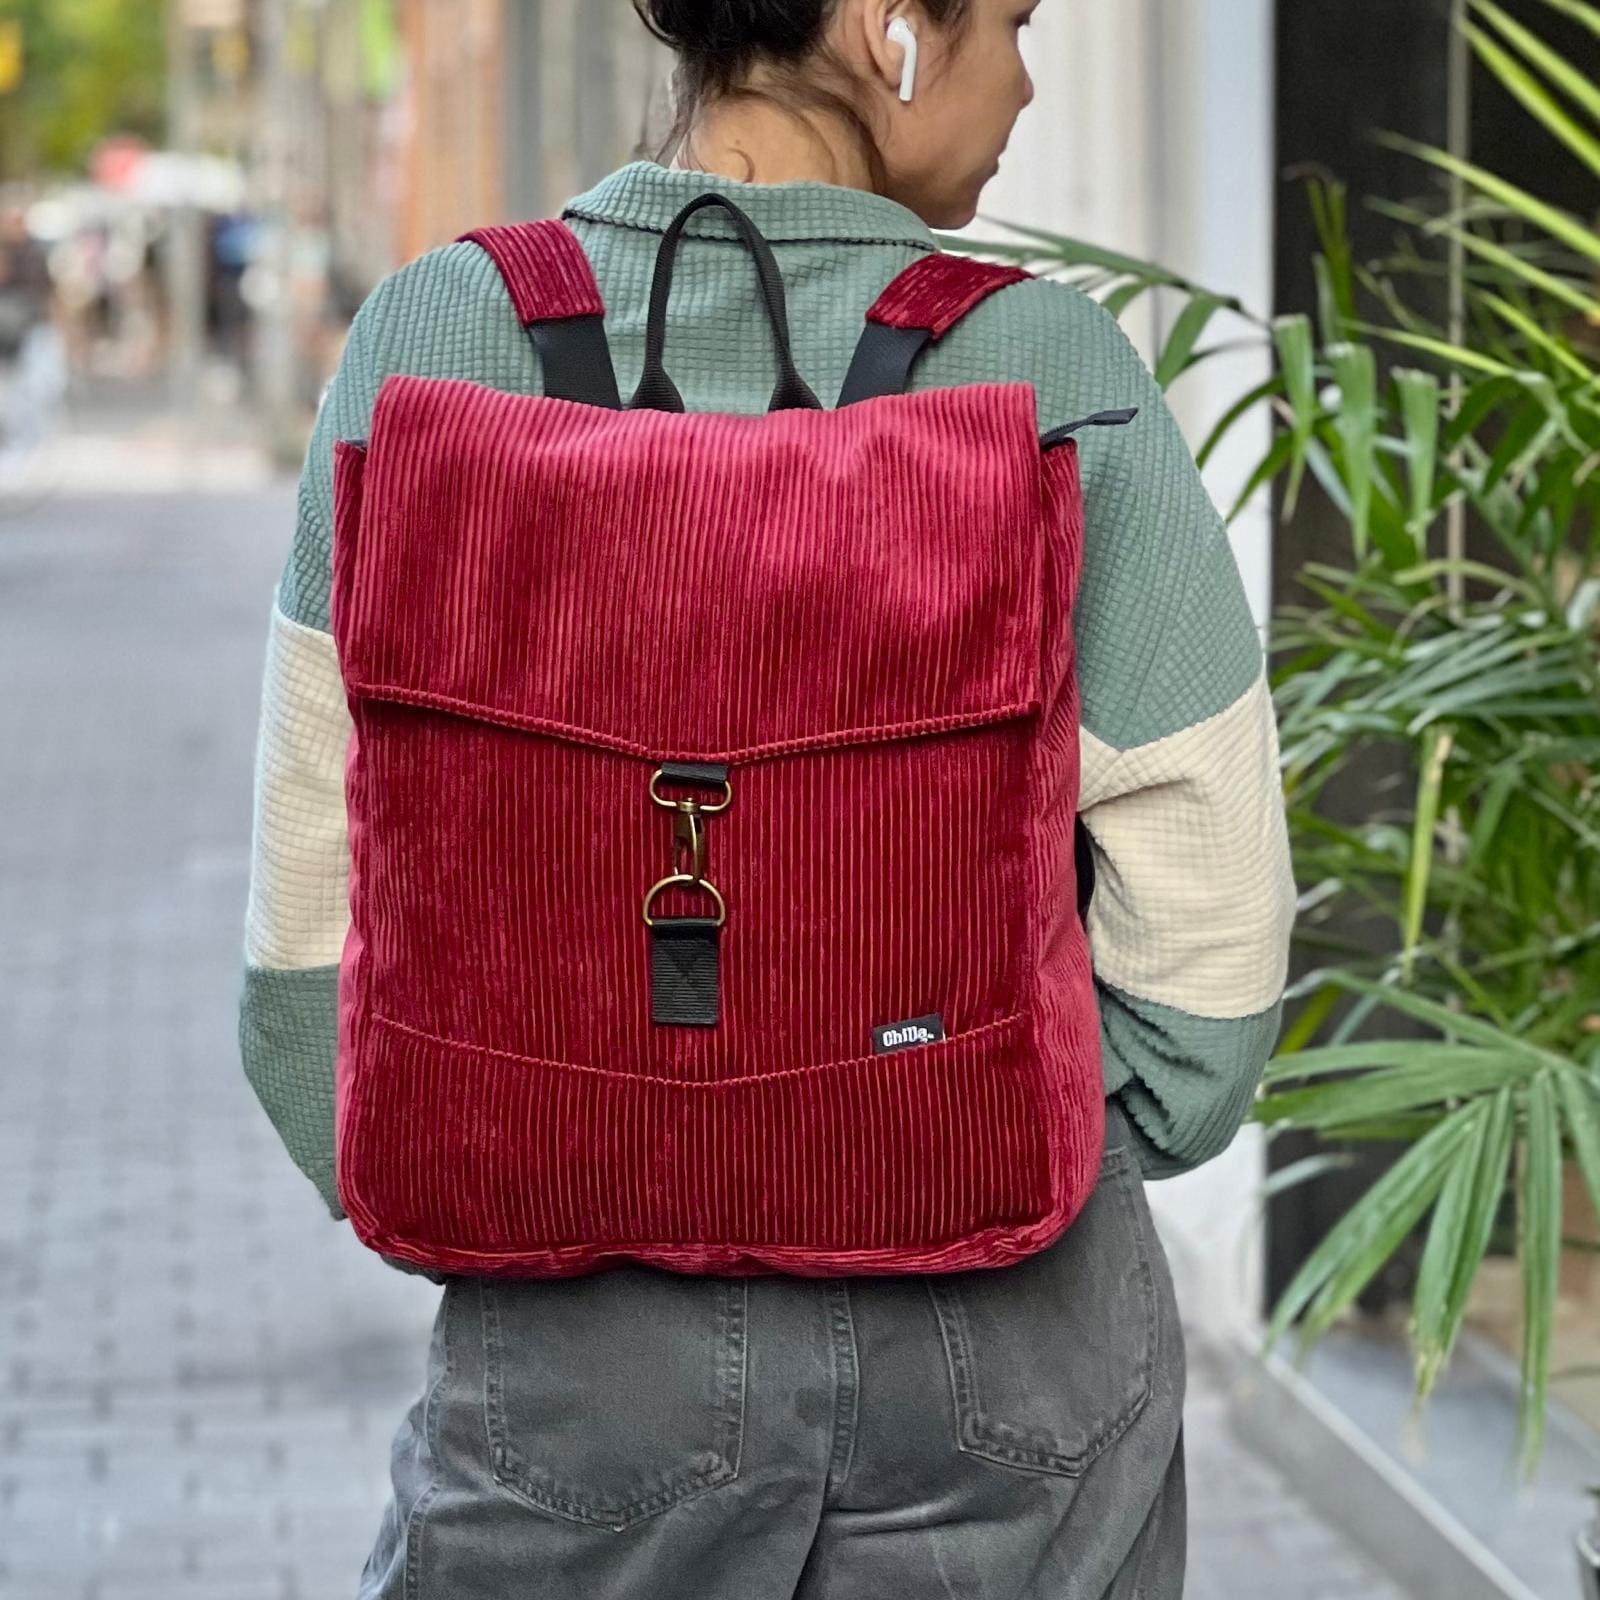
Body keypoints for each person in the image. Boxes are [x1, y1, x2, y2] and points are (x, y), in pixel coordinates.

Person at [239, 1, 1297, 1593]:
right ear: (891, 29)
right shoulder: (1046, 365)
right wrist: (1002, 1141)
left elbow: (306, 951)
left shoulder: (433, 337)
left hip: (584, 1335)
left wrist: (521, 1156)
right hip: (1006, 1330)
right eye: (1008, 22)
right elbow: (1209, 960)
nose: (1025, 76)